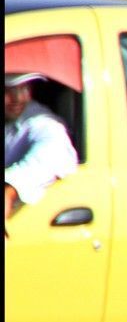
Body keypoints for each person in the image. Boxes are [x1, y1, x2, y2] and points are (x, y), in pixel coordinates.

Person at [5, 71, 78, 227]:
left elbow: (54, 153)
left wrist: (9, 188)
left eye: (24, 88)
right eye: (7, 90)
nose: (18, 98)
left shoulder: (40, 121)